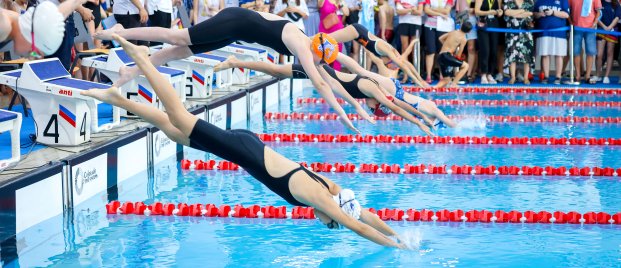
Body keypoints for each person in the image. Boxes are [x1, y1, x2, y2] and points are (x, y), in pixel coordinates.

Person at [83, 34, 408, 249]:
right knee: (179, 117)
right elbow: (358, 226)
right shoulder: (319, 197)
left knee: (172, 130)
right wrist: (397, 249)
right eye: (331, 224)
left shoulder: (332, 189)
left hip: (246, 146)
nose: (326, 224)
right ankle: (142, 59)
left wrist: (402, 237)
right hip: (241, 149)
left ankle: (118, 98)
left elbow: (363, 215)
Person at [94, 8, 368, 133]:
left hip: (236, 31)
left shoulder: (309, 43)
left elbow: (328, 77)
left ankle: (130, 72)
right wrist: (344, 114)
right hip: (233, 21)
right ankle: (121, 31)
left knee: (178, 52)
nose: (319, 66)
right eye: (320, 61)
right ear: (319, 53)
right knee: (177, 38)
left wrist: (356, 104)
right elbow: (321, 83)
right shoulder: (303, 47)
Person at [215, 54, 455, 128]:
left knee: (277, 72)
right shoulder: (372, 89)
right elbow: (395, 105)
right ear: (376, 103)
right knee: (277, 70)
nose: (375, 109)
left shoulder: (371, 94)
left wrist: (422, 117)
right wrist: (420, 122)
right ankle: (237, 61)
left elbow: (396, 104)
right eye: (377, 110)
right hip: (318, 72)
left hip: (320, 73)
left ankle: (237, 62)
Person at [330, 23, 430, 87]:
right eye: (394, 65)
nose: (394, 67)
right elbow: (404, 67)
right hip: (357, 32)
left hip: (358, 36)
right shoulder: (388, 51)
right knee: (323, 39)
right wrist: (418, 82)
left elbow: (408, 65)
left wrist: (420, 80)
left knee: (324, 40)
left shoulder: (385, 56)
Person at [0, 0, 84, 59]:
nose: (30, 57)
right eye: (33, 52)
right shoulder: (4, 24)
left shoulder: (23, 24)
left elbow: (60, 11)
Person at [534, 0, 569, 84]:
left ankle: (558, 77)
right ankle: (546, 76)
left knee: (559, 55)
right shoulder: (539, 1)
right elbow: (534, 14)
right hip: (544, 32)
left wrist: (553, 12)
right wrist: (540, 14)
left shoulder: (562, 1)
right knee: (545, 54)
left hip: (559, 32)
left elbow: (566, 15)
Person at [569, 0, 601, 84]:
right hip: (576, 28)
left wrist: (594, 24)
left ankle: (587, 76)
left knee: (590, 52)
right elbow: (567, 10)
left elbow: (599, 12)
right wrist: (570, 22)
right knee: (576, 52)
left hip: (590, 28)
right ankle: (578, 76)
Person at [423, 0, 455, 84]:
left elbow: (447, 11)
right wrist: (440, 13)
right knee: (430, 51)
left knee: (442, 51)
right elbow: (426, 10)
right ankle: (429, 75)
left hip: (443, 26)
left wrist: (433, 9)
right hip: (429, 26)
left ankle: (442, 75)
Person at [503, 0, 535, 84]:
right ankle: (513, 77)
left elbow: (530, 14)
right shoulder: (509, 2)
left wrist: (514, 13)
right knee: (512, 55)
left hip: (526, 34)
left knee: (527, 56)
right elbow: (507, 12)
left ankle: (525, 77)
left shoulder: (529, 2)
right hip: (512, 34)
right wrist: (521, 11)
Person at [435, 22, 470, 88]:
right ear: (469, 32)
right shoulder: (463, 39)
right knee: (466, 66)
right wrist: (453, 54)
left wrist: (446, 46)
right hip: (447, 56)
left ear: (461, 26)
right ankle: (454, 84)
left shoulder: (453, 32)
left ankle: (431, 89)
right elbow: (459, 55)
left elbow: (440, 38)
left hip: (440, 56)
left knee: (446, 80)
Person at [475, 0, 503, 84]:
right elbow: (477, 11)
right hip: (483, 23)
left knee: (494, 50)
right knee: (485, 50)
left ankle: (490, 73)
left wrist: (500, 12)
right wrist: (489, 12)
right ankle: (483, 74)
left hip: (494, 24)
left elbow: (499, 11)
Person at [595, 0, 620, 84]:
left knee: (610, 53)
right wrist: (604, 27)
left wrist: (609, 27)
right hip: (601, 29)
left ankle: (606, 76)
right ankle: (598, 75)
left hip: (612, 30)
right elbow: (596, 16)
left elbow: (617, 17)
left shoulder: (616, 3)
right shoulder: (599, 2)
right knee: (599, 54)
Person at [319, 0, 348, 70]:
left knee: (337, 54)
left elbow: (347, 13)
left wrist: (340, 3)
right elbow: (319, 6)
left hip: (337, 29)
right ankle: (324, 74)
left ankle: (336, 75)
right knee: (324, 53)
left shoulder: (340, 1)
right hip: (325, 28)